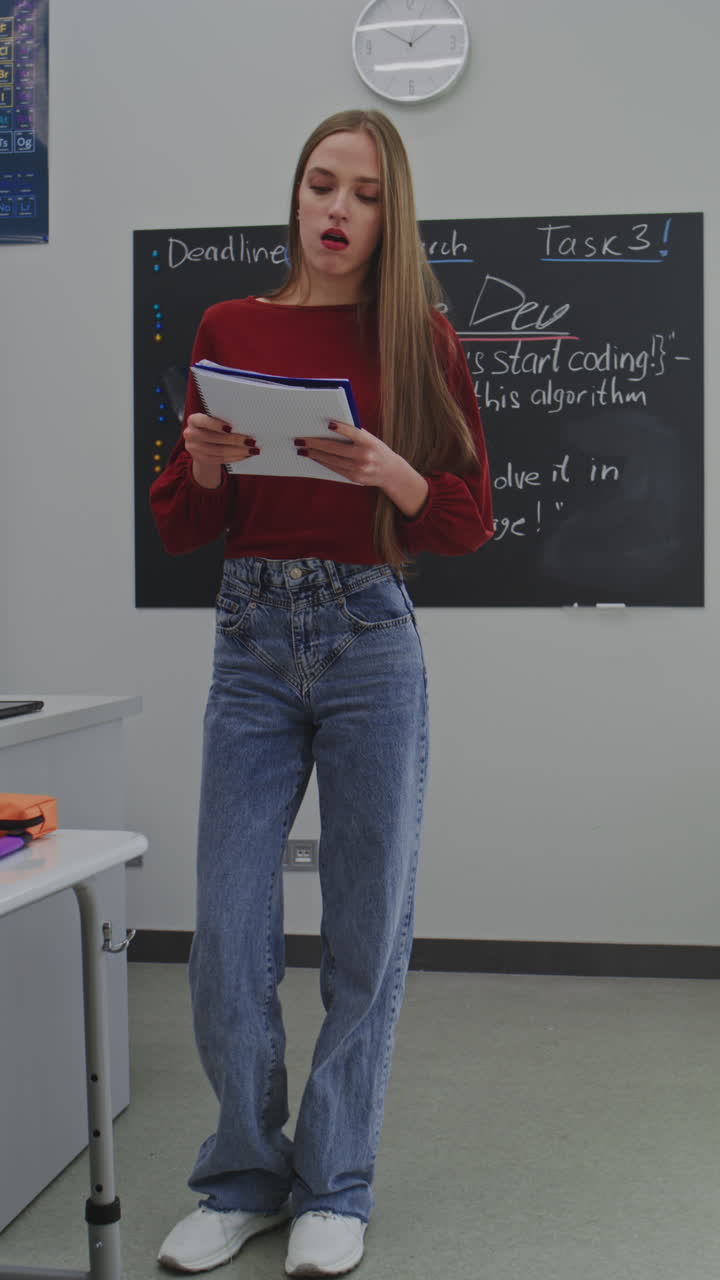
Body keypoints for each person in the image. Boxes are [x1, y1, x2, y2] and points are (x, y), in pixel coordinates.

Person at [151, 108, 493, 1277]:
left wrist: (394, 469)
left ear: (391, 213)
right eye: (319, 185)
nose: (336, 211)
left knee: (365, 929)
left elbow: (467, 514)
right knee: (228, 930)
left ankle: (334, 1181)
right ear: (294, 195)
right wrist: (200, 460)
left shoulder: (421, 340)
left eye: (363, 193)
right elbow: (187, 517)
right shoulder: (227, 325)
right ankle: (245, 1172)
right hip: (250, 635)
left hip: (368, 636)